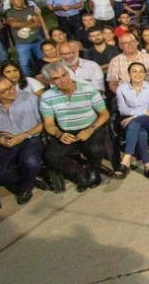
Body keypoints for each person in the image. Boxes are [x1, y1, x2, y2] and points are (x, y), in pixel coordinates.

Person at [40, 62, 110, 192]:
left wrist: (90, 130)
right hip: (66, 131)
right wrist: (59, 134)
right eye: (56, 78)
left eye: (64, 75)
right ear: (51, 81)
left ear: (68, 73)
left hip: (90, 126)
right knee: (51, 156)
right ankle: (79, 173)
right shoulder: (47, 97)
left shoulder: (89, 89)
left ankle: (94, 171)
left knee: (96, 148)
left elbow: (104, 114)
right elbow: (49, 124)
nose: (63, 80)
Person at [0, 76, 44, 205]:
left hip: (30, 138)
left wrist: (25, 135)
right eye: (5, 90)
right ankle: (29, 179)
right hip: (4, 143)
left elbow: (44, 122)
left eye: (11, 86)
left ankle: (25, 188)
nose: (12, 90)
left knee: (31, 162)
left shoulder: (30, 98)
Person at [115, 62, 149, 180]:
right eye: (134, 71)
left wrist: (134, 116)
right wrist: (140, 113)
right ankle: (148, 166)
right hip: (131, 122)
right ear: (129, 74)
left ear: (145, 74)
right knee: (141, 132)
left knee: (135, 123)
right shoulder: (121, 88)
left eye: (141, 71)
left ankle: (126, 159)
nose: (138, 74)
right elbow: (122, 110)